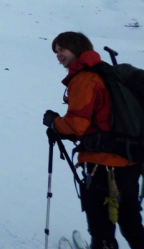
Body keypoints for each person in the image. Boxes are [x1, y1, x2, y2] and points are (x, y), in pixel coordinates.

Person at [43, 31, 144, 249]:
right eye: (56, 51)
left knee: (102, 228)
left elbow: (77, 124)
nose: (58, 55)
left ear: (77, 48)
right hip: (129, 160)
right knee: (131, 222)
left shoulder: (84, 79)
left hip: (102, 166)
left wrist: (54, 123)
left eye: (62, 49)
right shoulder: (106, 72)